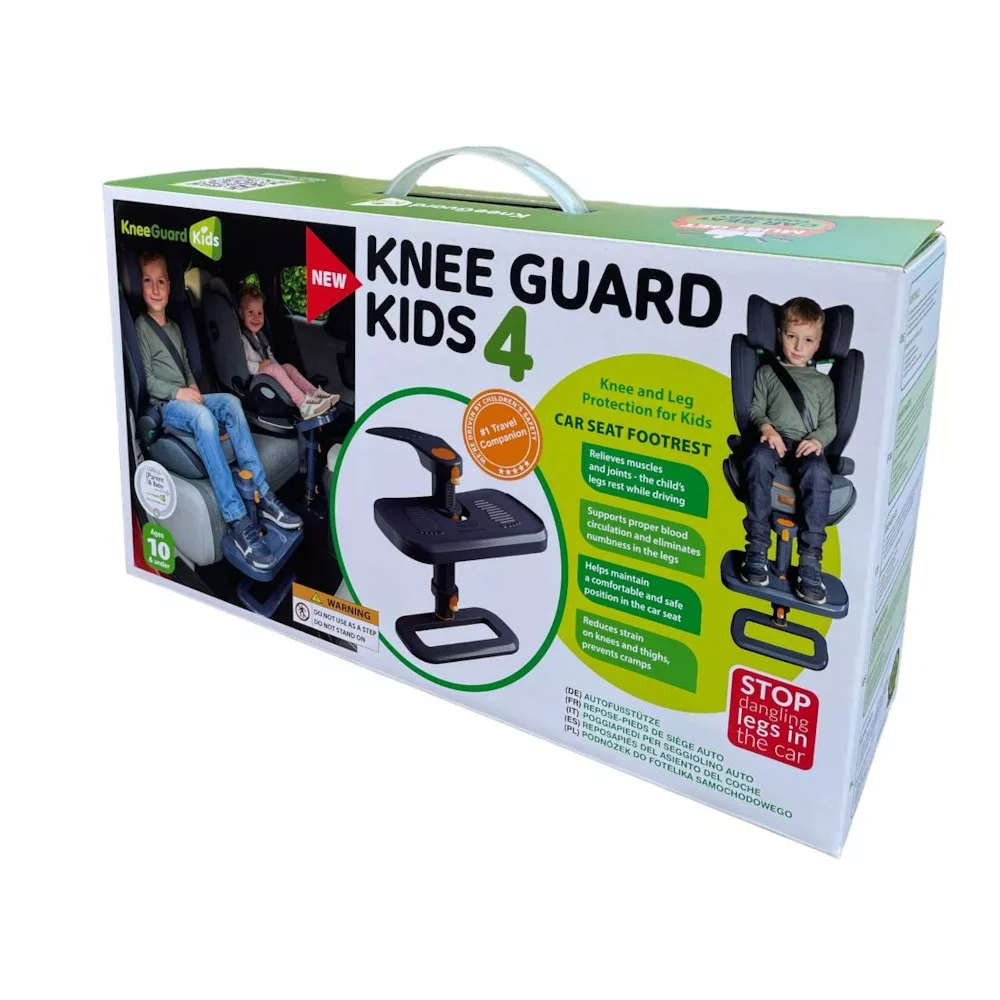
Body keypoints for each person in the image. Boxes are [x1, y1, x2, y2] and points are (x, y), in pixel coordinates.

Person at [134, 252, 302, 572]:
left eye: (161, 282)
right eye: (147, 281)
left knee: (230, 403)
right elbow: (148, 379)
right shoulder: (141, 326)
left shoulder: (174, 327)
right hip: (164, 405)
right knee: (203, 418)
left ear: (170, 286)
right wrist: (179, 394)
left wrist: (193, 388)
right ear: (138, 285)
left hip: (186, 395)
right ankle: (236, 517)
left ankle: (263, 493)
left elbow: (185, 367)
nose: (155, 289)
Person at [741, 296, 836, 605]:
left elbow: (829, 424)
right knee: (757, 458)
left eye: (807, 340)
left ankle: (810, 560)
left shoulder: (823, 384)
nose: (798, 346)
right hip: (773, 442)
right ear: (779, 334)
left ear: (818, 344)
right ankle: (757, 546)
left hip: (806, 447)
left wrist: (818, 440)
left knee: (818, 473)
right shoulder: (767, 373)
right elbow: (756, 410)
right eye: (792, 336)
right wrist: (767, 429)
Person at [237, 284, 339, 420]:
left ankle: (316, 395)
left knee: (287, 367)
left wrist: (281, 371)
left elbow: (270, 357)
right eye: (250, 312)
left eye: (259, 313)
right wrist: (260, 366)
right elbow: (244, 365)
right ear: (241, 313)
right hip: (255, 378)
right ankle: (304, 405)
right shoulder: (242, 339)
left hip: (267, 371)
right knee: (275, 368)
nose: (256, 317)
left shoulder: (260, 336)